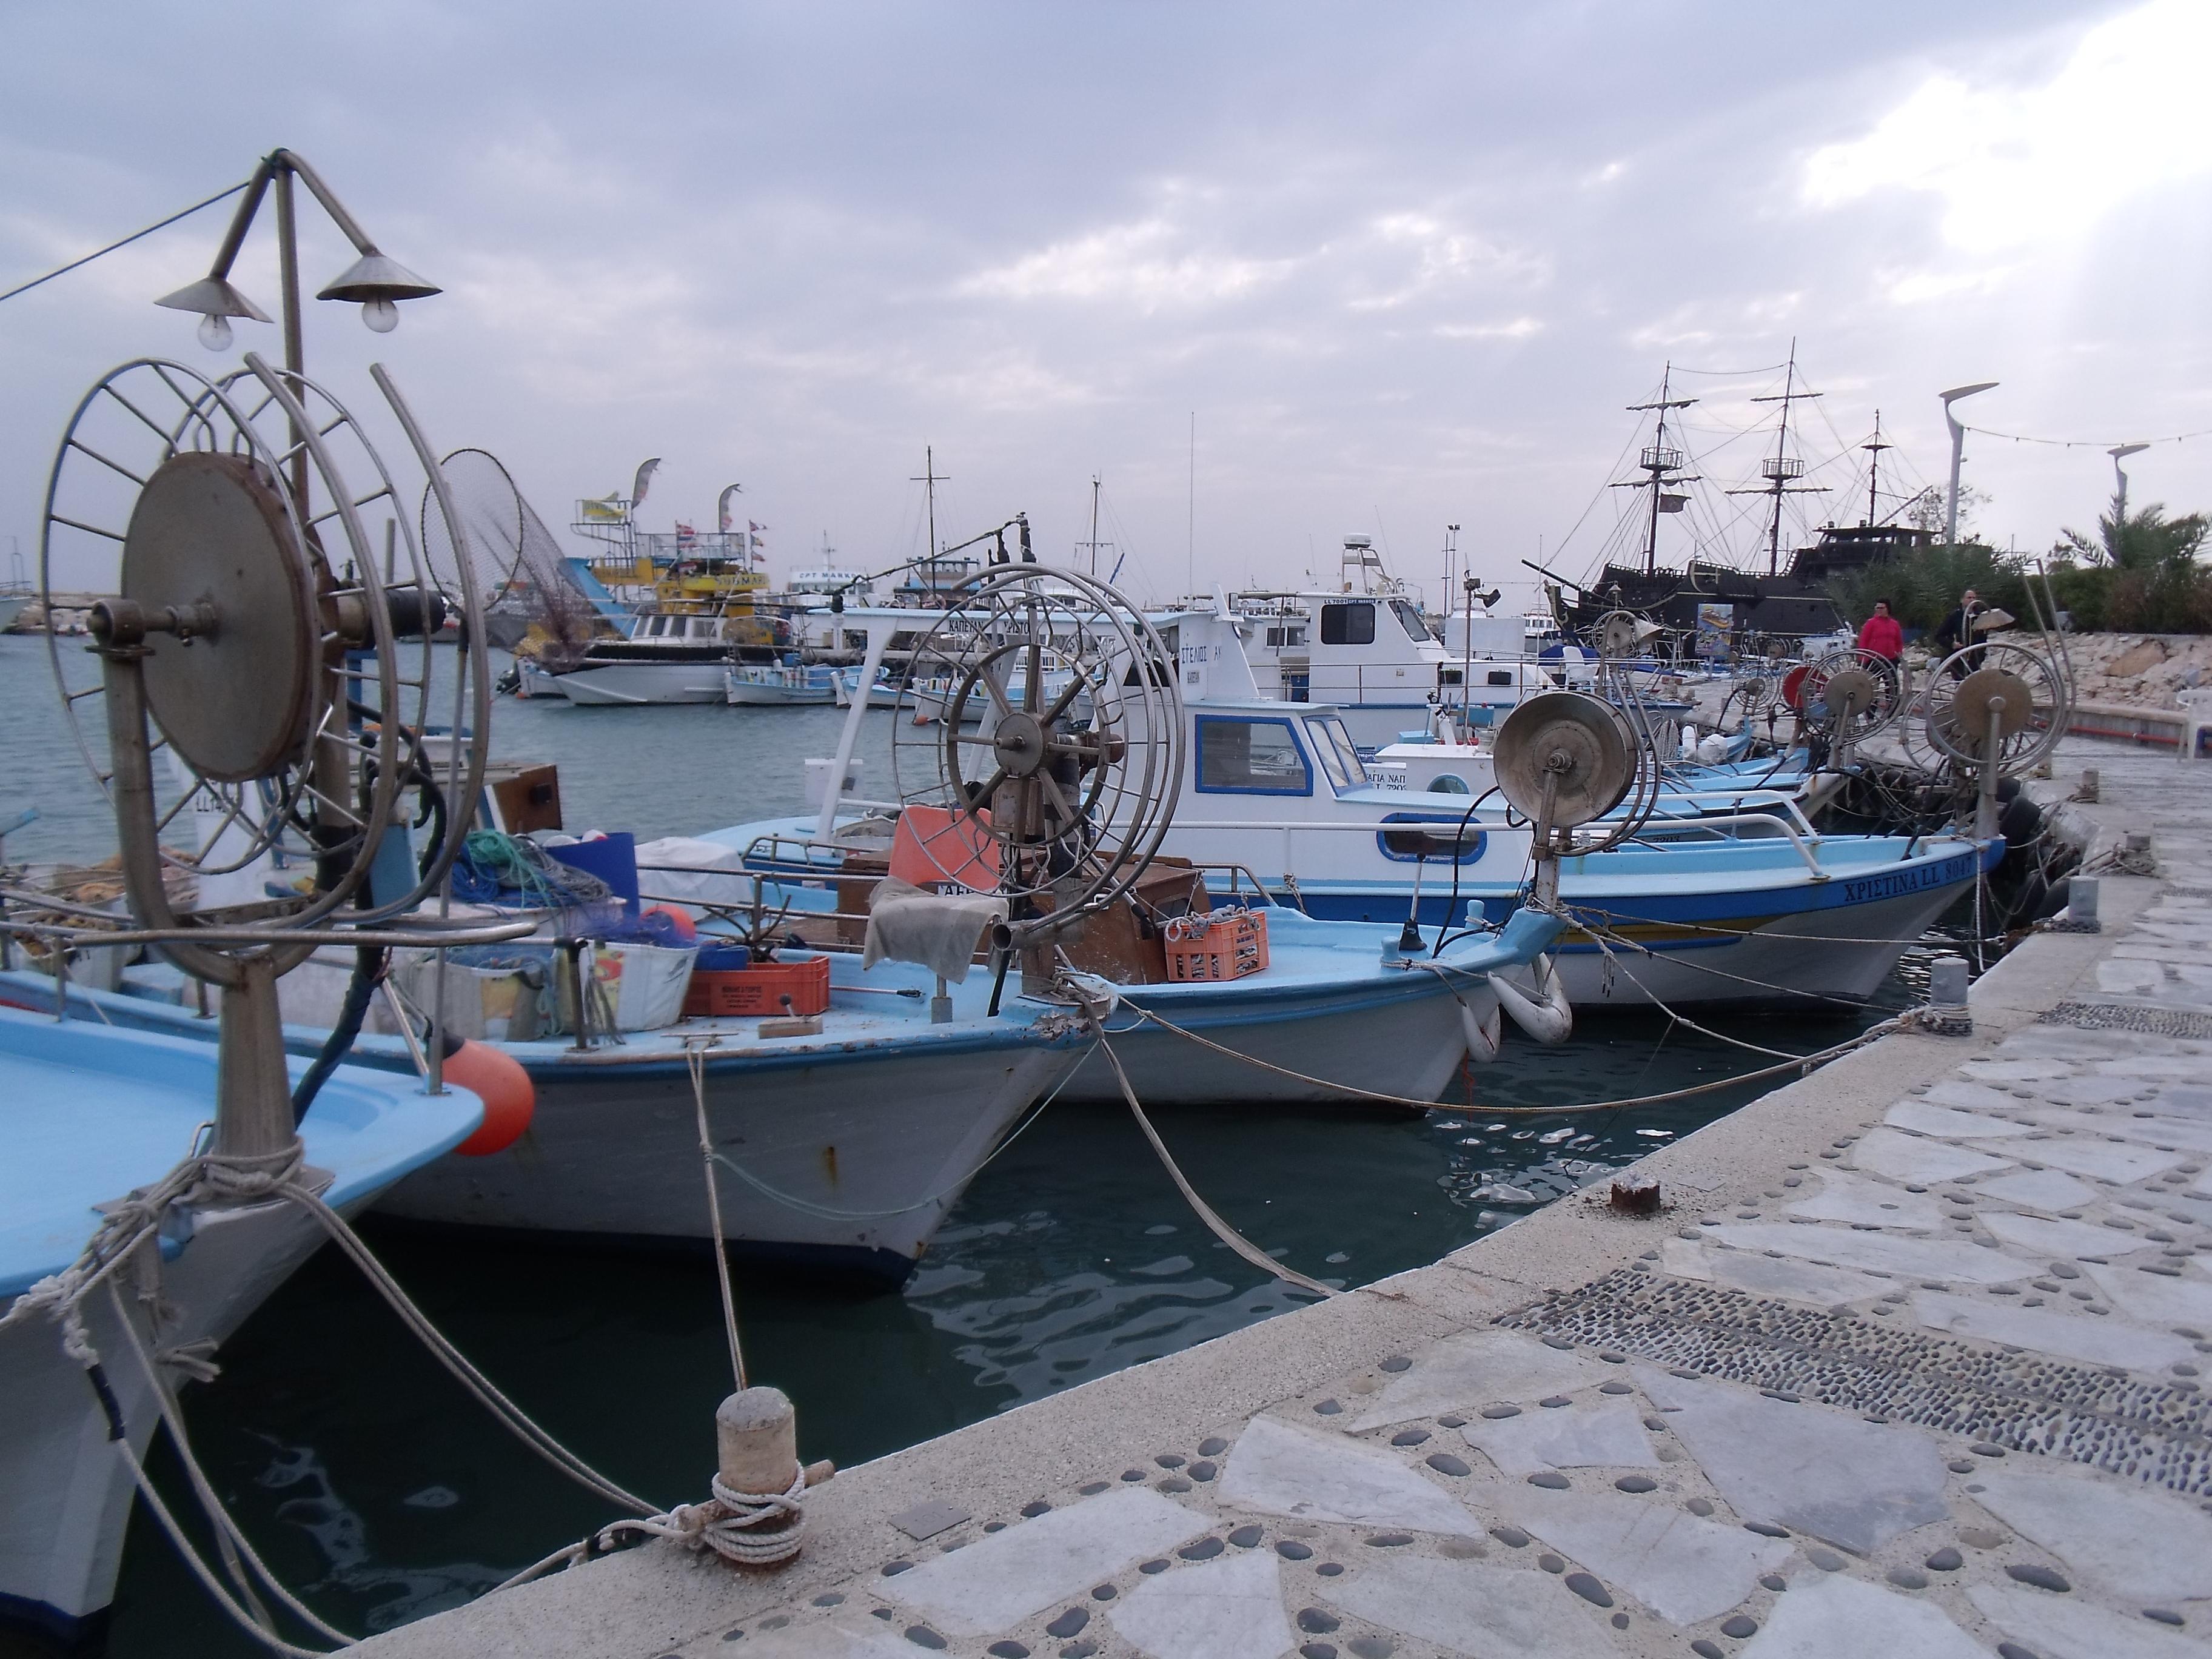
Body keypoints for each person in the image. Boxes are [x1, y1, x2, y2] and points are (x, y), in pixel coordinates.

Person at [1934, 588, 1983, 679]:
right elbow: (1939, 636)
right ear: (1962, 600)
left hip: (1975, 659)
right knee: (1961, 687)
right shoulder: (1954, 617)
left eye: (1974, 598)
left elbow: (1984, 637)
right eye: (1969, 598)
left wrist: (1982, 654)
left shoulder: (1980, 616)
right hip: (1958, 658)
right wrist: (1952, 644)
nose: (1972, 600)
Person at [1855, 599, 1903, 664]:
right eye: (1877, 608)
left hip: (1892, 659)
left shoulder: (1895, 624)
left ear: (1887, 609)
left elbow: (1899, 642)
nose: (1879, 610)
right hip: (1874, 659)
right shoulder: (1870, 623)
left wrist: (1899, 655)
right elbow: (1863, 641)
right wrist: (1864, 658)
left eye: (1882, 608)